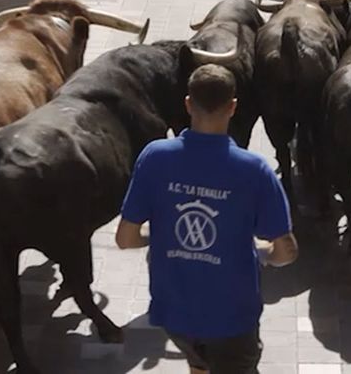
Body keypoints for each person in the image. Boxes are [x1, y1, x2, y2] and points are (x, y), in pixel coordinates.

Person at [117, 66, 299, 374]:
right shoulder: (253, 169)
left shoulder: (154, 157)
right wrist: (264, 253)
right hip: (232, 321)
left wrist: (162, 236)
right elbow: (286, 251)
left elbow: (125, 239)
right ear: (233, 107)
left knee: (198, 364)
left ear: (188, 104)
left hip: (174, 314)